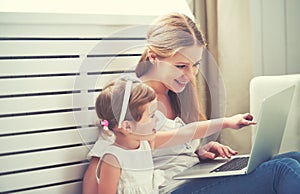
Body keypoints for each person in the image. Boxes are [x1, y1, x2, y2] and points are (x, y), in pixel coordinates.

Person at [83, 12, 300, 194]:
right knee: (283, 169)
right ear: (153, 57)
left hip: (190, 175)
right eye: (181, 66)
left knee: (294, 157)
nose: (190, 74)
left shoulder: (176, 93)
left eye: (194, 65)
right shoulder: (130, 97)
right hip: (170, 188)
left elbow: (166, 147)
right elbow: (119, 150)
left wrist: (198, 151)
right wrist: (223, 122)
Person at [94, 76, 255, 194]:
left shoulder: (146, 143)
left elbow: (187, 132)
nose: (156, 120)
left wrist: (227, 122)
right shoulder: (112, 159)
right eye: (151, 116)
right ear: (127, 126)